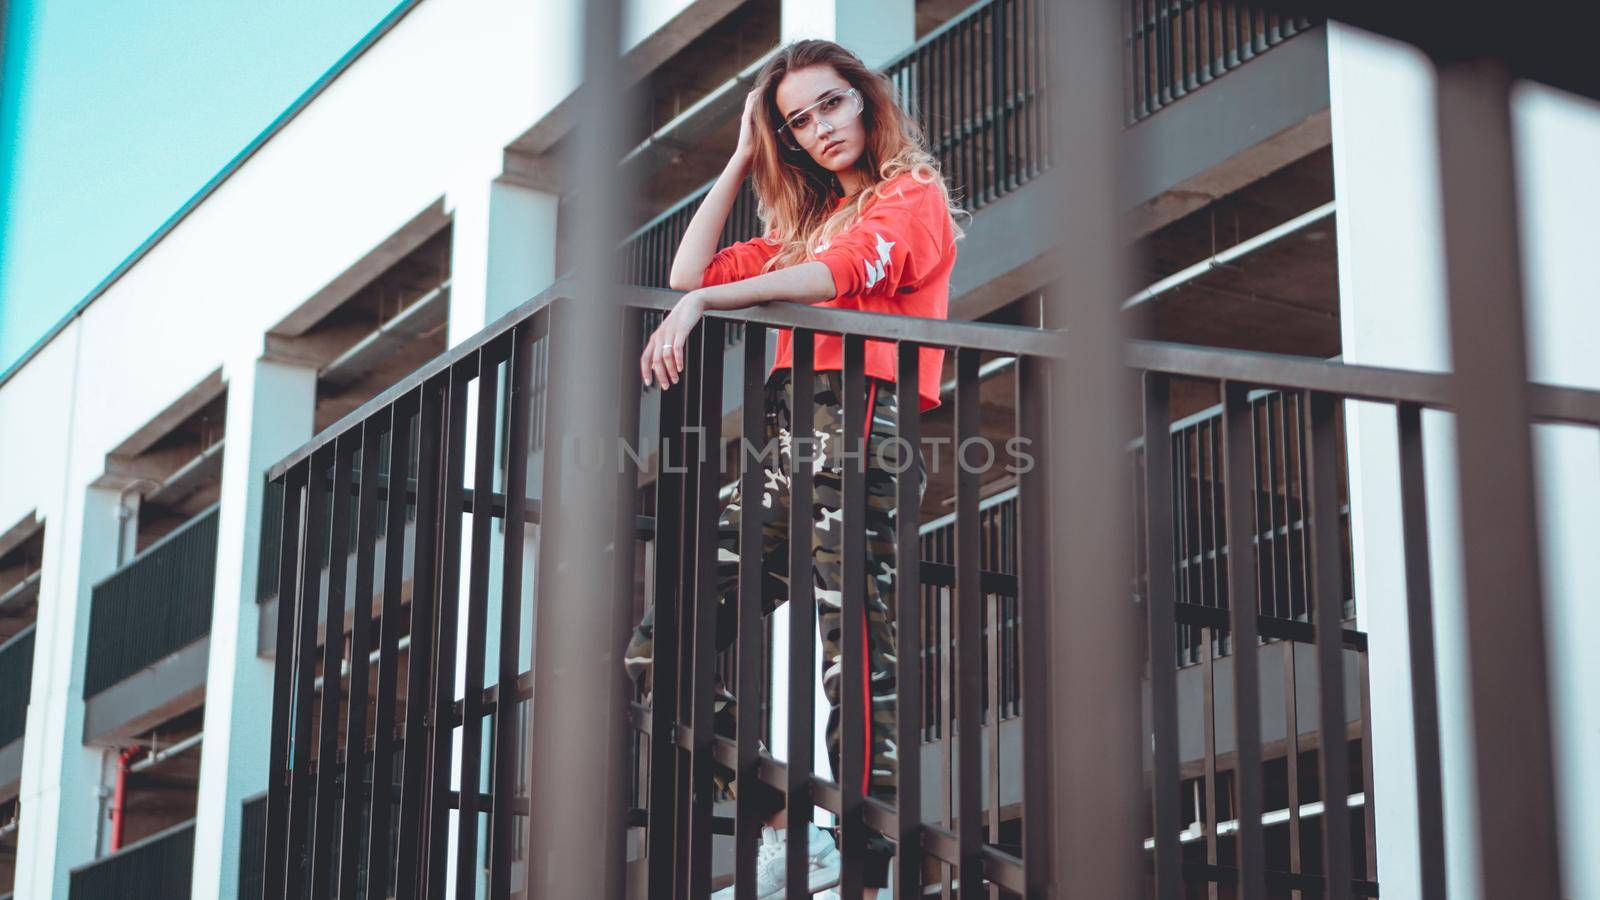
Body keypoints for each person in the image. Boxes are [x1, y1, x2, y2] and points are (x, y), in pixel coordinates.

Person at [629, 37, 963, 898]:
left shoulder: (912, 197)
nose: (819, 128)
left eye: (831, 104)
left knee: (853, 650)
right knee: (656, 646)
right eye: (796, 121)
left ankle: (874, 864)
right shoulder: (799, 227)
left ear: (866, 100)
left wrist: (706, 302)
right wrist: (743, 156)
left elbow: (840, 274)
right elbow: (686, 270)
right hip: (785, 448)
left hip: (863, 434)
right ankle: (787, 830)